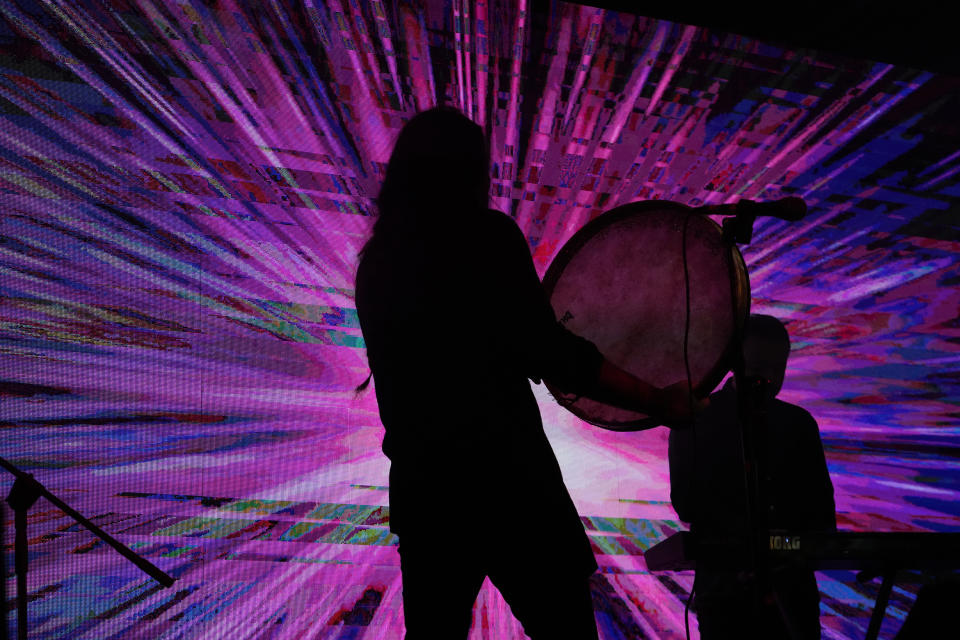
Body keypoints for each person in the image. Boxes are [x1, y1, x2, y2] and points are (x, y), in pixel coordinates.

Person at [355, 106, 698, 639]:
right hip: (508, 480)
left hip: (429, 492)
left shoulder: (378, 263)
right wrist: (659, 401)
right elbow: (552, 354)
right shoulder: (484, 237)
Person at [668, 314, 836, 639]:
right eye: (759, 367)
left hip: (791, 588)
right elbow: (687, 505)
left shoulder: (799, 424)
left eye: (777, 369)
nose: (769, 378)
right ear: (733, 363)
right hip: (724, 589)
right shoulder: (696, 418)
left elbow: (821, 513)